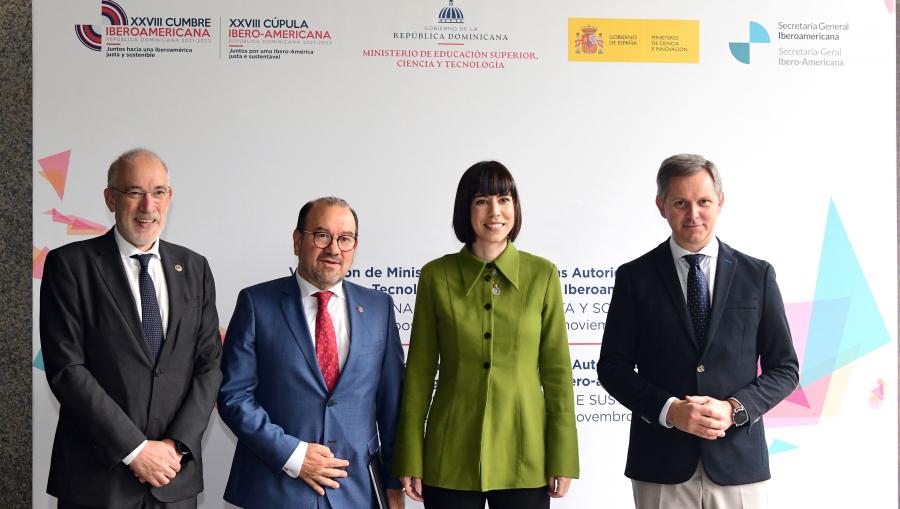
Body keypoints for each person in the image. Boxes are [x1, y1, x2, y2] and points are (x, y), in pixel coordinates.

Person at [596, 154, 799, 508]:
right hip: (660, 463)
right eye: (680, 203)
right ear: (661, 206)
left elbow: (785, 369)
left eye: (704, 202)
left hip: (738, 463)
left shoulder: (758, 276)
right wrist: (670, 410)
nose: (693, 214)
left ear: (720, 202)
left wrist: (735, 408)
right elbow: (612, 367)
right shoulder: (634, 278)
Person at [40, 148, 222, 508]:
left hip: (174, 477)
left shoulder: (195, 268)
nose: (147, 206)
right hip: (97, 481)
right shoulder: (70, 266)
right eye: (134, 192)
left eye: (158, 193)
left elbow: (209, 366)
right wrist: (135, 449)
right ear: (110, 198)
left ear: (169, 198)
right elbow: (67, 370)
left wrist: (174, 446)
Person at [393, 161, 579, 509]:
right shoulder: (436, 276)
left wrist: (564, 456)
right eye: (482, 200)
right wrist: (410, 456)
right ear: (467, 209)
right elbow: (418, 373)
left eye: (504, 199)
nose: (495, 211)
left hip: (527, 453)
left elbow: (557, 374)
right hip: (450, 453)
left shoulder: (543, 275)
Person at [217, 197, 406, 509]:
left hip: (357, 492)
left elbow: (392, 405)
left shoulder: (378, 308)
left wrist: (393, 482)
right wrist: (294, 455)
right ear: (297, 240)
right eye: (322, 235)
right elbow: (234, 396)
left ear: (355, 248)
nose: (334, 249)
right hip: (275, 489)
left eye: (345, 239)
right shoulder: (256, 303)